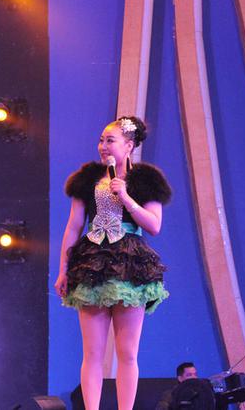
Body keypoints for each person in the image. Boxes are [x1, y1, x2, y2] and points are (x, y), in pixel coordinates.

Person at [55, 116, 172, 410]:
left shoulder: (146, 180)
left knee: (127, 353)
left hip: (130, 265)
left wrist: (127, 198)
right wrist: (62, 270)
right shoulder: (87, 179)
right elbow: (73, 227)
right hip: (92, 263)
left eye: (110, 140)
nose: (103, 146)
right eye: (101, 140)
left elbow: (154, 225)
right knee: (92, 354)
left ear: (129, 145)